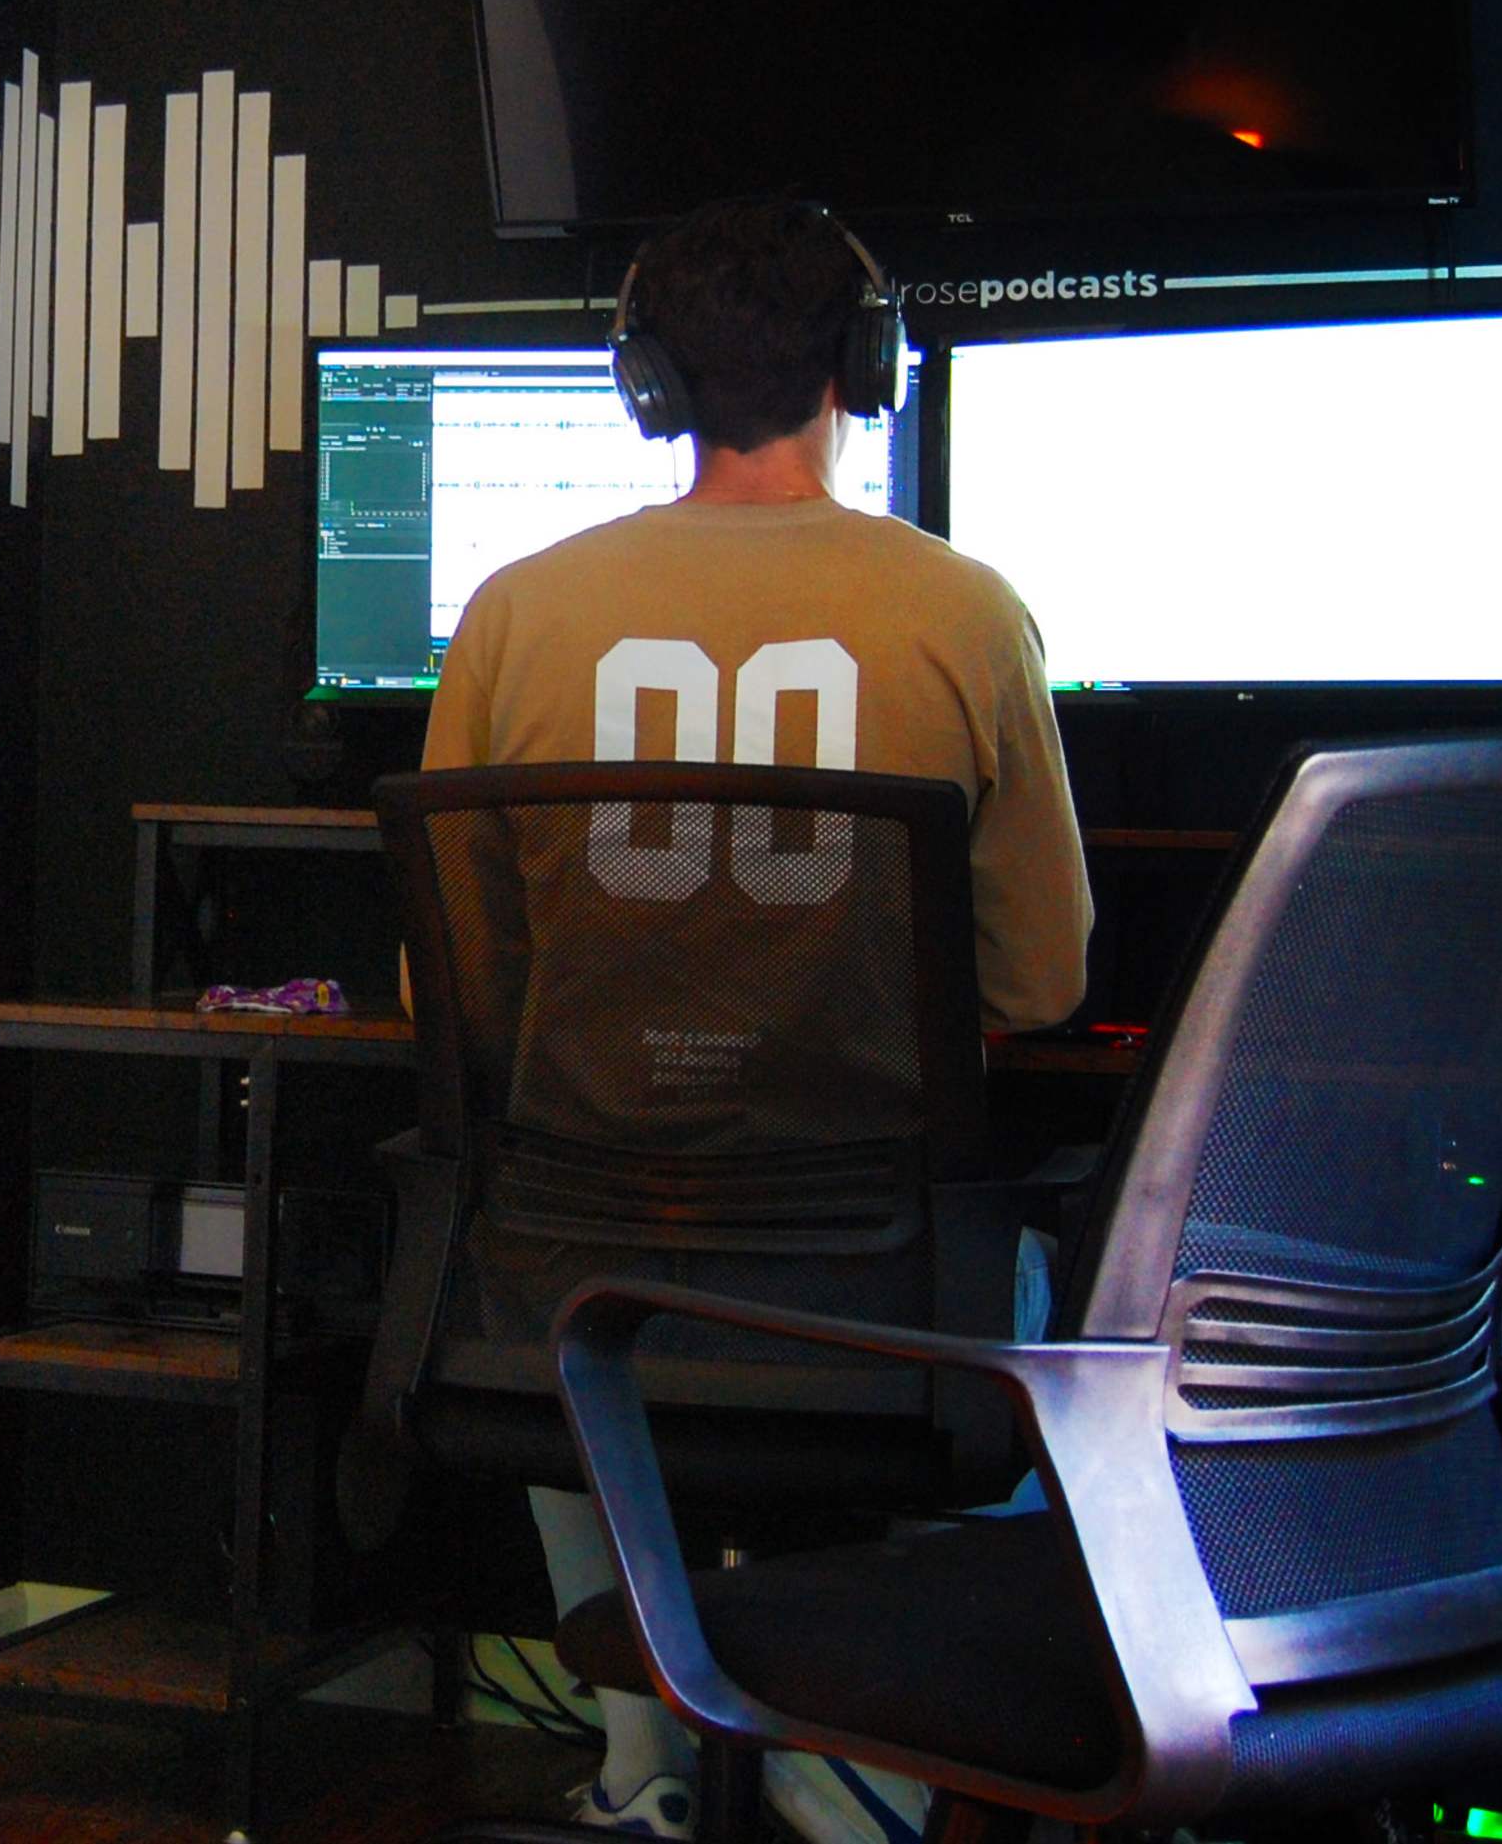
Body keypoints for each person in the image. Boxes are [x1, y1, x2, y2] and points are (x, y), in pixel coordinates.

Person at [419, 194, 1092, 1843]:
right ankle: (852, 1762)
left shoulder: (513, 608)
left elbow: (467, 977)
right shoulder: (966, 611)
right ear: (869, 371)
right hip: (863, 1309)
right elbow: (1044, 985)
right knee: (1046, 1283)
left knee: (548, 1272)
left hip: (579, 1298)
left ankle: (649, 1757)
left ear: (644, 381)